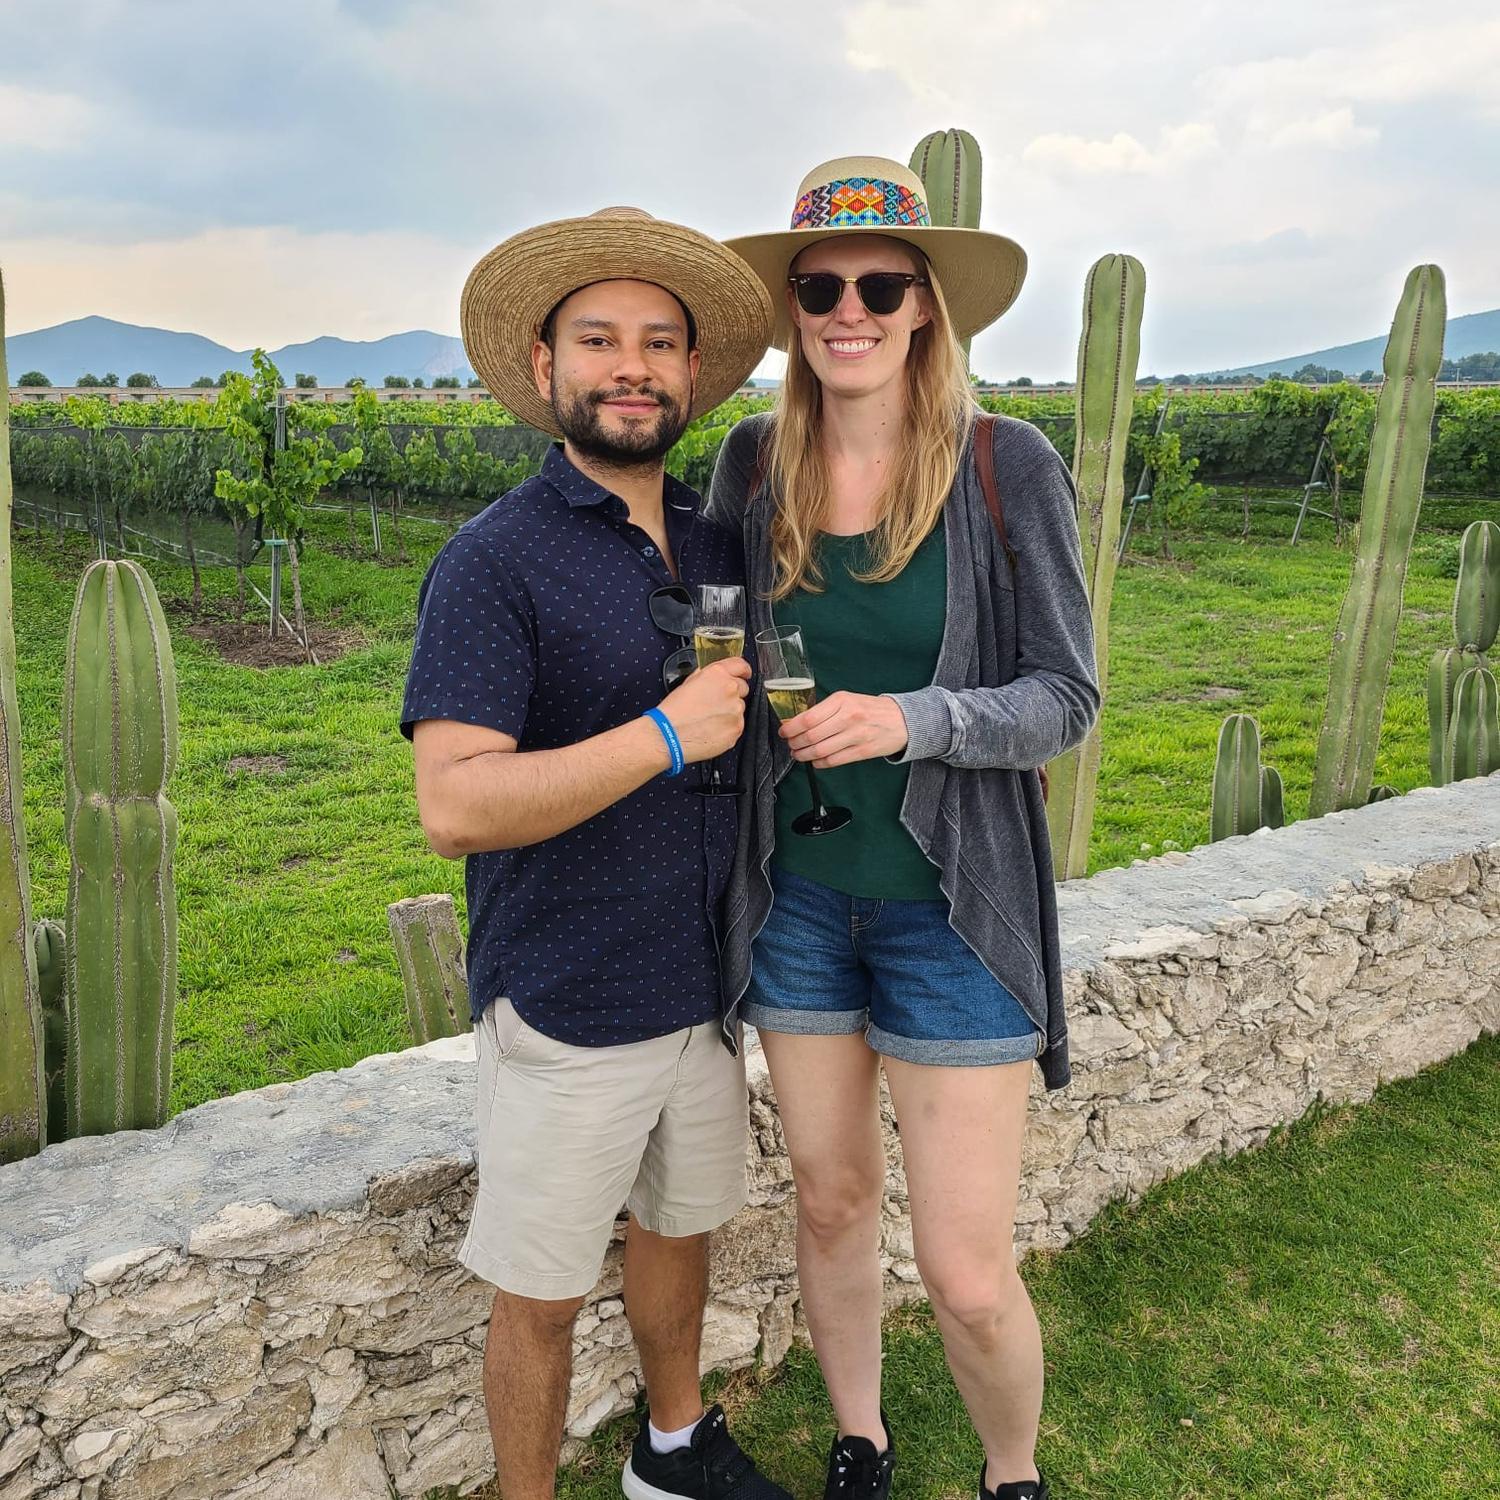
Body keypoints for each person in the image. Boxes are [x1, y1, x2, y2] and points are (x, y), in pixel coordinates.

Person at [707, 158, 1102, 1500]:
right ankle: (861, 1437)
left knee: (969, 1272)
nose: (849, 310)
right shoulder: (755, 461)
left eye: (882, 285)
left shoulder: (1007, 465)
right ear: (794, 310)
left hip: (952, 915)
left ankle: (1012, 1474)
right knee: (828, 1203)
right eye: (820, 287)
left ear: (927, 306)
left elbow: (1066, 698)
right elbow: (704, 632)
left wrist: (912, 721)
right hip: (802, 903)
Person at [401, 206, 790, 1500]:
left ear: (691, 374)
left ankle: (671, 1450)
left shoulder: (720, 543)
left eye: (661, 343)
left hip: (703, 988)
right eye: (601, 340)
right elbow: (456, 804)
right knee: (545, 1294)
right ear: (545, 362)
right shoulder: (491, 562)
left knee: (679, 1227)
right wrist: (664, 739)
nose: (633, 366)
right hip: (567, 1001)